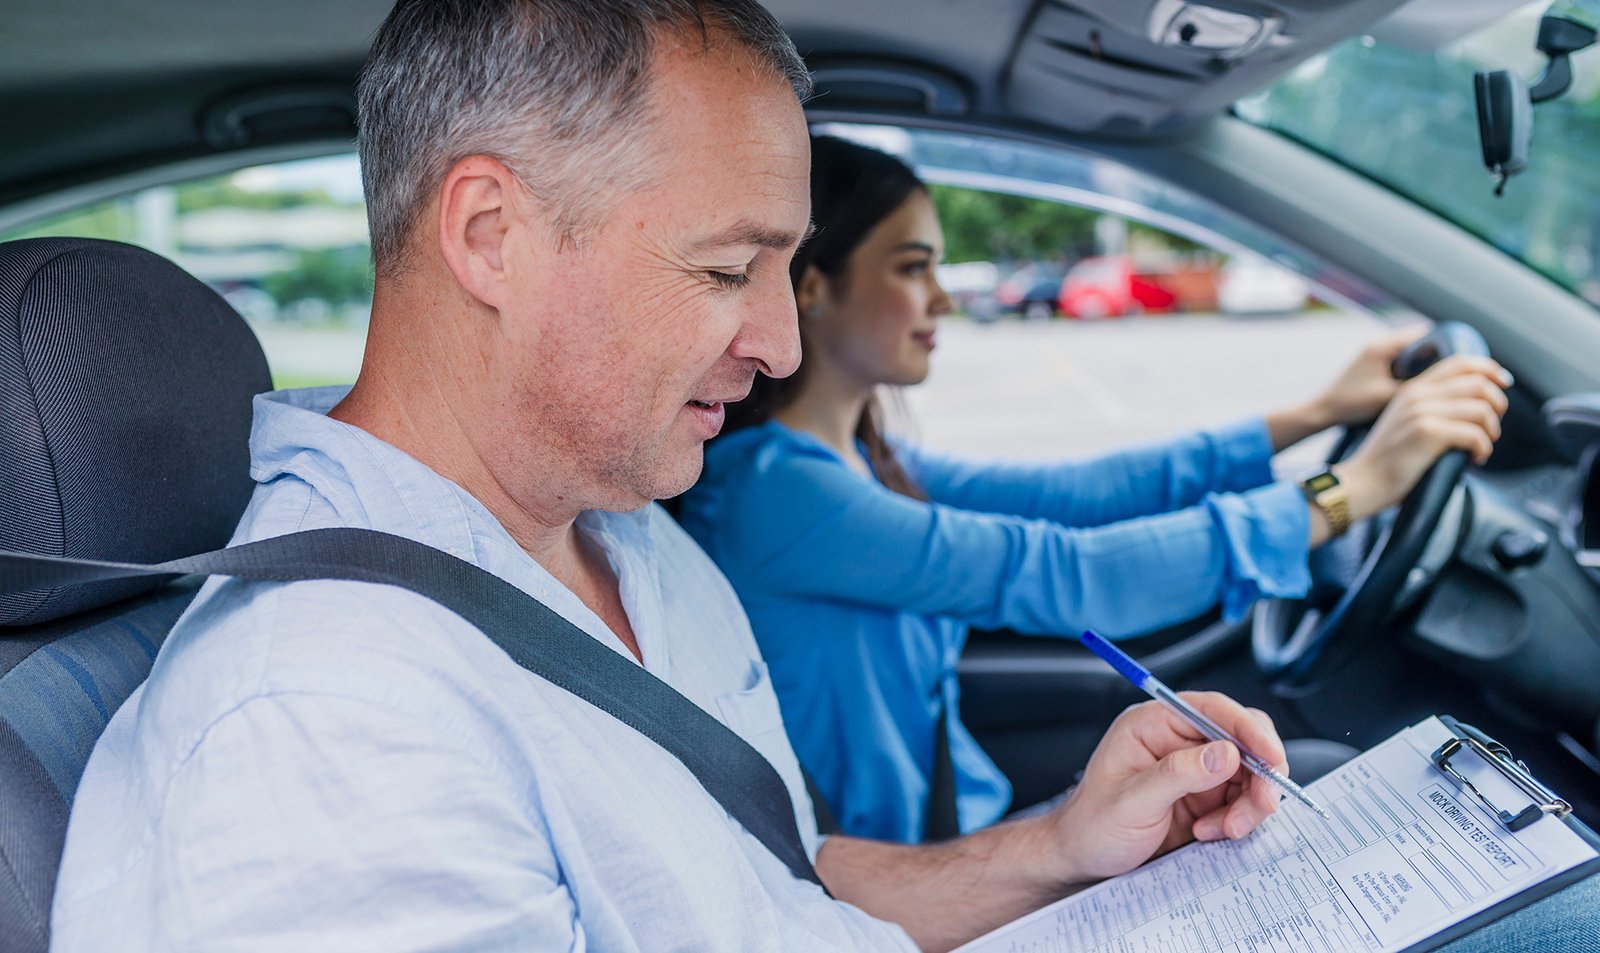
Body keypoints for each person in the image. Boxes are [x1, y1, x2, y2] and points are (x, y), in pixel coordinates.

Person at [48, 2, 1594, 952]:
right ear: (489, 234)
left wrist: (1058, 850)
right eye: (730, 266)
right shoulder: (318, 728)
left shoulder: (626, 547)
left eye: (789, 270)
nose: (782, 337)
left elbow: (769, 888)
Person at [677, 135, 1514, 844]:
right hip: (899, 878)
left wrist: (1316, 414)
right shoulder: (778, 494)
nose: (942, 296)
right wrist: (1352, 489)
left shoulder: (859, 460)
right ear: (814, 287)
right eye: (912, 267)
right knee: (1324, 790)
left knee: (1310, 788)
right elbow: (1067, 572)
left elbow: (1075, 496)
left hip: (955, 818)